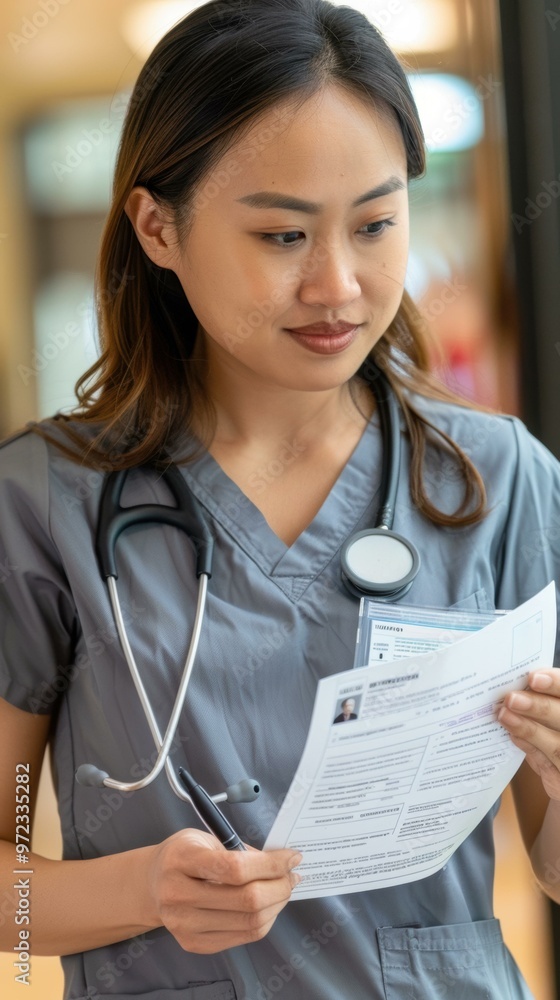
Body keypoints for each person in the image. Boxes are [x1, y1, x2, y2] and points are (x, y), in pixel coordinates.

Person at [1, 1, 560, 997]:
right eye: (282, 234)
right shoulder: (46, 508)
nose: (337, 285)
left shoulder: (500, 483)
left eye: (376, 224)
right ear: (156, 226)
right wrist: (141, 891)